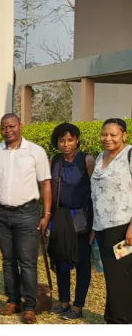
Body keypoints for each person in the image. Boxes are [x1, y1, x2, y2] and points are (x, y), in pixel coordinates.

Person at [0, 113, 52, 324]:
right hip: (0, 214)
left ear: (20, 126)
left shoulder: (35, 152)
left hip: (26, 214)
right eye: (3, 127)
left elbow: (45, 184)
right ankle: (12, 300)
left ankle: (30, 306)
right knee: (8, 259)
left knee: (28, 261)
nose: (8, 130)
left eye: (11, 126)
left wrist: (46, 214)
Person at [48, 123, 95, 320]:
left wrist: (94, 226)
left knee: (82, 263)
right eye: (62, 140)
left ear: (76, 140)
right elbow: (49, 191)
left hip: (81, 219)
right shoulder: (54, 160)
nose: (66, 144)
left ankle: (77, 306)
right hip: (59, 219)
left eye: (70, 140)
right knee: (61, 261)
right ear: (57, 142)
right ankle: (64, 302)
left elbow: (95, 192)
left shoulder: (86, 160)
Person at [90, 118, 132, 324]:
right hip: (102, 227)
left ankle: (121, 321)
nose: (107, 138)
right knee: (111, 276)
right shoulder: (100, 156)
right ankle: (112, 318)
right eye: (104, 134)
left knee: (120, 276)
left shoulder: (129, 155)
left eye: (113, 135)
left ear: (124, 135)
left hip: (122, 227)